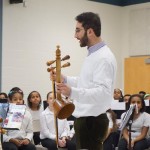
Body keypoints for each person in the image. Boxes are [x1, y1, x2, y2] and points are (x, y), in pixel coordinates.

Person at [50, 12, 117, 150]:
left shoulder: (103, 57)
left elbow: (103, 92)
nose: (75, 35)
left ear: (90, 31)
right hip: (87, 120)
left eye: (78, 30)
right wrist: (65, 78)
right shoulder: (93, 54)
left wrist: (72, 91)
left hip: (91, 121)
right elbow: (86, 82)